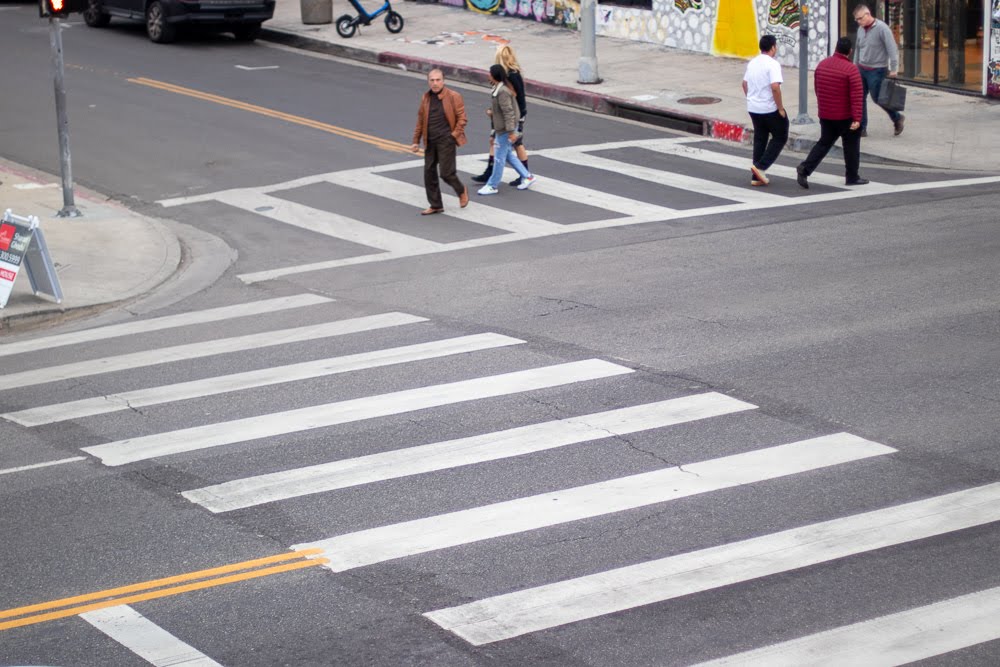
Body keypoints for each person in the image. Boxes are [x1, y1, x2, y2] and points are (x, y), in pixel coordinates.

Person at [796, 37, 868, 189]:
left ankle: (805, 169)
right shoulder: (851, 69)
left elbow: (817, 89)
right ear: (850, 51)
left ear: (835, 48)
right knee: (851, 146)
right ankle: (852, 176)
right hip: (845, 116)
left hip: (827, 114)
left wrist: (823, 107)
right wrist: (857, 118)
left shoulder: (822, 65)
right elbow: (856, 96)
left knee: (824, 143)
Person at [411, 69, 469, 215]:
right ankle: (436, 205)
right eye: (432, 80)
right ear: (428, 81)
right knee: (429, 173)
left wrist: (453, 135)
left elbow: (462, 118)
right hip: (430, 141)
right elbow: (421, 120)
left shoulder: (454, 96)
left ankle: (461, 190)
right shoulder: (426, 98)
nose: (435, 83)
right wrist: (416, 141)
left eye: (438, 80)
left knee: (446, 173)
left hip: (446, 140)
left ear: (443, 81)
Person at [472, 45, 530, 187]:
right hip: (504, 117)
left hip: (512, 117)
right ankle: (492, 172)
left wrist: (518, 120)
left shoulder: (512, 75)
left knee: (515, 144)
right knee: (497, 142)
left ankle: (524, 174)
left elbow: (517, 99)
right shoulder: (505, 75)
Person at [478, 64, 536, 195]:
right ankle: (527, 176)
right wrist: (492, 111)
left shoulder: (502, 91)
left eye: (489, 73)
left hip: (505, 130)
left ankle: (492, 185)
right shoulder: (499, 89)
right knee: (508, 155)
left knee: (499, 159)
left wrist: (511, 132)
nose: (488, 75)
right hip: (503, 128)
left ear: (494, 76)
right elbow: (502, 109)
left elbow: (509, 112)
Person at [741, 34, 788, 187]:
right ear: (773, 47)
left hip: (753, 108)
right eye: (776, 46)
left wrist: (752, 98)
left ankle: (756, 177)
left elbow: (744, 84)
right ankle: (761, 167)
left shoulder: (753, 62)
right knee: (780, 135)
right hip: (769, 108)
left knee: (760, 138)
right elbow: (775, 87)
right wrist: (780, 108)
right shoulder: (773, 64)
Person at [853, 3, 904, 136]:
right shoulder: (860, 29)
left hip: (877, 70)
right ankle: (862, 127)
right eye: (856, 20)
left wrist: (894, 69)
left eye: (860, 18)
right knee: (859, 98)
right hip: (861, 69)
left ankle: (897, 118)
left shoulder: (882, 28)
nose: (858, 22)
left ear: (868, 14)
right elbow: (858, 49)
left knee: (878, 98)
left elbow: (892, 49)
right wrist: (854, 66)